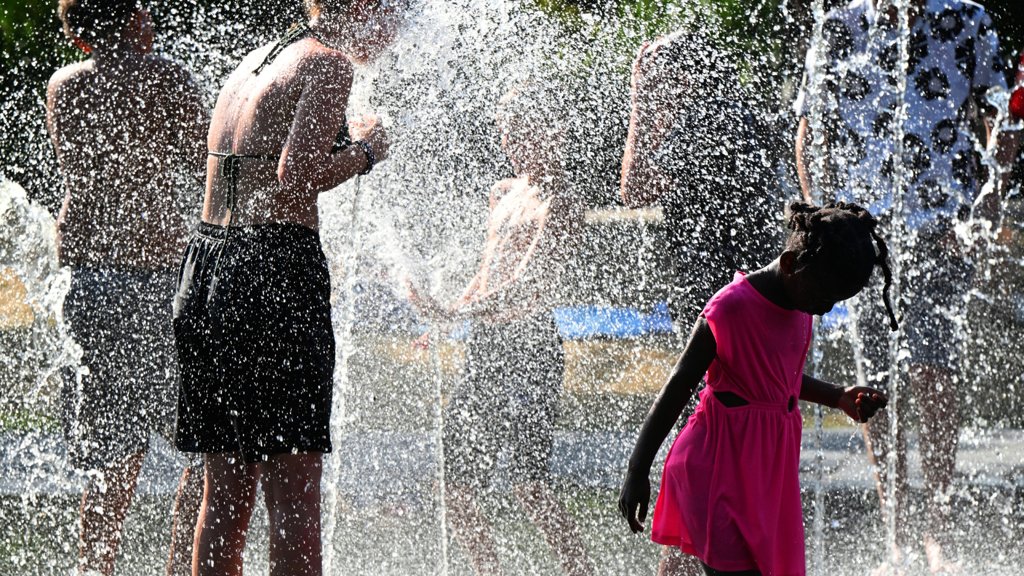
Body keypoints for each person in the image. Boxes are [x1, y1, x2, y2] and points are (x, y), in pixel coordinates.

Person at [170, 0, 398, 574]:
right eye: (395, 8)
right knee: (295, 500)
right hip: (273, 274)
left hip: (209, 268)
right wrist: (368, 151)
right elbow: (294, 179)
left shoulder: (255, 63)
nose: (399, 26)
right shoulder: (327, 64)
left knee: (222, 498)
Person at [794, 1, 1018, 571]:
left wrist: (987, 204)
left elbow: (1006, 114)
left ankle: (937, 526)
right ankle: (895, 524)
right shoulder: (840, 24)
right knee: (875, 380)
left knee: (934, 370)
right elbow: (808, 129)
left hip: (942, 228)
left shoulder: (965, 19)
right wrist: (821, 220)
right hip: (861, 234)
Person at [619, 201, 896, 576]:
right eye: (824, 297)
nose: (826, 310)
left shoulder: (801, 303)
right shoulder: (730, 308)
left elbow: (776, 381)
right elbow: (678, 385)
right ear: (788, 265)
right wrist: (638, 469)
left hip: (764, 480)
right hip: (718, 470)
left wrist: (837, 396)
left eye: (834, 301)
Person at [45, 1, 208, 574]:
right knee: (205, 443)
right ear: (126, 17)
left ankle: (97, 569)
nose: (152, 12)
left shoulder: (63, 86)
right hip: (157, 282)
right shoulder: (165, 78)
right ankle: (182, 568)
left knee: (110, 455)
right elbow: (209, 162)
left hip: (88, 283)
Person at [407, 83, 592, 576]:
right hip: (489, 347)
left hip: (531, 346)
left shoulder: (561, 201)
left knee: (528, 485)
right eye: (504, 130)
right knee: (454, 481)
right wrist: (449, 311)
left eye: (518, 129)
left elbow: (525, 285)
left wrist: (455, 315)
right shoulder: (503, 192)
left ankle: (580, 570)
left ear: (547, 129)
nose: (508, 141)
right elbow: (488, 273)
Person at [620, 26, 782, 327]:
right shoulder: (733, 114)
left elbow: (635, 190)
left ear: (683, 80)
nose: (652, 88)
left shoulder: (699, 124)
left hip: (721, 304)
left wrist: (639, 105)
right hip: (753, 296)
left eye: (656, 79)